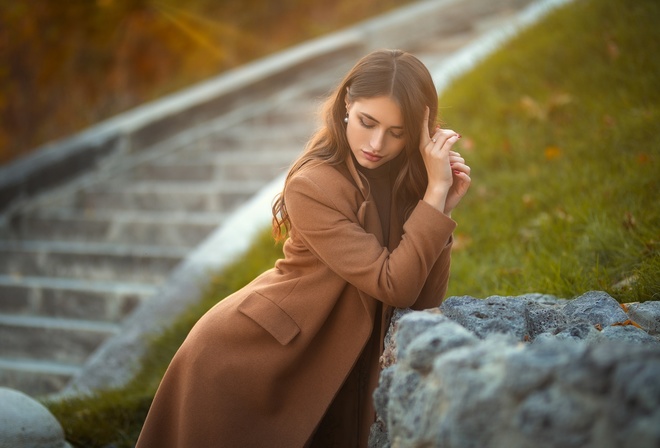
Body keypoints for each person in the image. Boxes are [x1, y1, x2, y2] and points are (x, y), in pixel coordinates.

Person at [136, 48, 471, 448]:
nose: (377, 143)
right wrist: (433, 195)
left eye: (396, 132)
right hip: (253, 360)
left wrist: (440, 207)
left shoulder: (403, 182)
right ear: (347, 104)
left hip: (331, 363)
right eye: (367, 122)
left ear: (420, 132)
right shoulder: (312, 185)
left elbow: (419, 301)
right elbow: (394, 285)